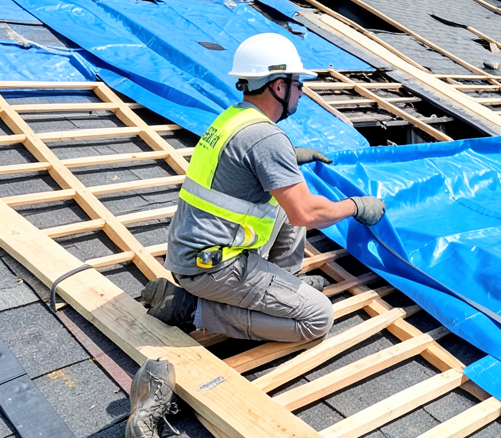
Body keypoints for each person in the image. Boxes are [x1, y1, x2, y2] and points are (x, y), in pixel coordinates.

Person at [141, 33, 385, 344]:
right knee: (317, 318)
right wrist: (356, 206)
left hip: (191, 251)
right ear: (278, 86)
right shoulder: (267, 138)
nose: (301, 92)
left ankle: (282, 285)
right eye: (298, 84)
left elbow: (238, 161)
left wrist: (289, 156)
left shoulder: (234, 119)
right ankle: (190, 309)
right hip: (213, 268)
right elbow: (306, 213)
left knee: (285, 199)